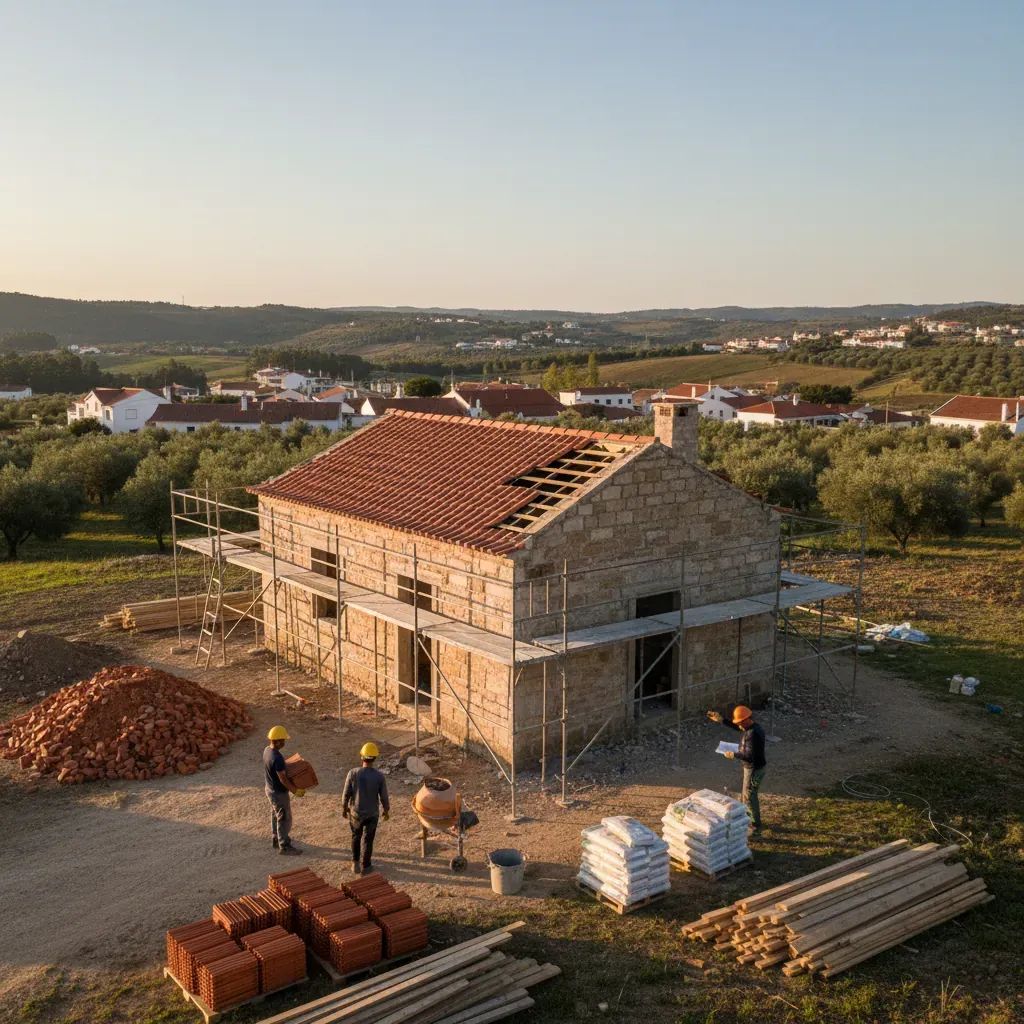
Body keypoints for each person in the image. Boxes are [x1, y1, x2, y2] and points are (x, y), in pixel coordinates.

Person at [707, 705, 766, 832]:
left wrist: (733, 754)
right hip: (754, 767)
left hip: (753, 769)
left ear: (745, 720)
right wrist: (722, 720)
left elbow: (749, 756)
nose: (738, 725)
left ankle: (754, 825)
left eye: (739, 723)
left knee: (749, 796)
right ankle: (750, 820)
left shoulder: (752, 734)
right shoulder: (752, 727)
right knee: (747, 795)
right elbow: (738, 728)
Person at [341, 741, 390, 875]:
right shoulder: (379, 776)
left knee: (356, 836)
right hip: (372, 814)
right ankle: (366, 865)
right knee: (368, 839)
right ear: (374, 758)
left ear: (361, 757)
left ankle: (355, 863)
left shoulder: (353, 773)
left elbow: (346, 793)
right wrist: (386, 810)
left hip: (356, 813)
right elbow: (384, 797)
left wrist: (344, 808)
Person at [264, 725, 305, 855]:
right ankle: (284, 846)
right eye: (283, 740)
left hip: (269, 789)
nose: (284, 743)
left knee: (275, 814)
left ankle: (276, 838)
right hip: (279, 793)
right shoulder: (277, 758)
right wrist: (295, 790)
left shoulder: (266, 751)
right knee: (284, 818)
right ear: (277, 741)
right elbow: (283, 778)